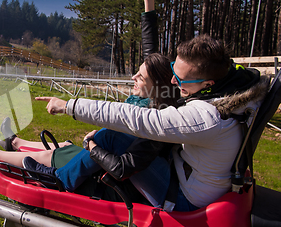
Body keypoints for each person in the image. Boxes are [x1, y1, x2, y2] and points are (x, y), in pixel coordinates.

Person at [0, 0, 182, 208]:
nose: (133, 77)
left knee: (52, 156)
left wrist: (95, 138)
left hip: (115, 169)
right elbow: (151, 53)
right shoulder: (156, 91)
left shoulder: (154, 116)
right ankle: (14, 142)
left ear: (156, 84)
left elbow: (125, 152)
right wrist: (148, 0)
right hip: (111, 158)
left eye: (140, 77)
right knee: (63, 146)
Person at [36, 34, 269, 211]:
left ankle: (58, 180)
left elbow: (136, 118)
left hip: (183, 197)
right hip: (191, 176)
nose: (171, 81)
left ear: (207, 83)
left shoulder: (206, 118)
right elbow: (155, 63)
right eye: (172, 71)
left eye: (179, 79)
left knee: (109, 136)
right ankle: (65, 173)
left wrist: (70, 106)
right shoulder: (230, 84)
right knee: (117, 138)